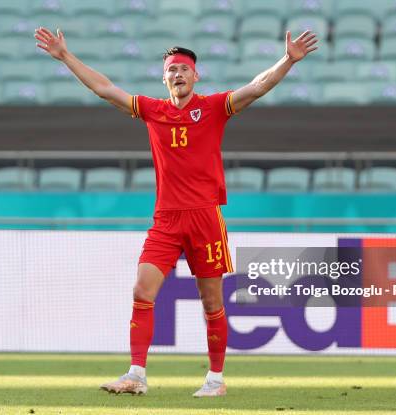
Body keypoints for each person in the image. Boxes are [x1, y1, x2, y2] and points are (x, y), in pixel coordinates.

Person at [34, 27, 318, 397]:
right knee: (142, 290)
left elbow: (257, 87)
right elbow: (104, 89)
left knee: (211, 300)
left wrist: (288, 60)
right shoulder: (153, 111)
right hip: (166, 219)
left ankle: (215, 380)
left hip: (204, 217)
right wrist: (65, 57)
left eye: (184, 68)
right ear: (164, 77)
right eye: (172, 69)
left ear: (195, 75)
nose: (178, 74)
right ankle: (136, 375)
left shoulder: (214, 107)